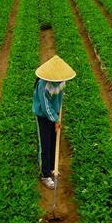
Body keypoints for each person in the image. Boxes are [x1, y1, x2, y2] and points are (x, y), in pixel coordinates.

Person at [33, 55, 76, 190]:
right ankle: (45, 175)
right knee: (45, 145)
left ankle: (52, 167)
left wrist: (57, 113)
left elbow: (59, 98)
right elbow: (45, 107)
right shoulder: (43, 85)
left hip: (54, 114)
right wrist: (55, 119)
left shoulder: (62, 82)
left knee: (53, 141)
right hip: (43, 116)